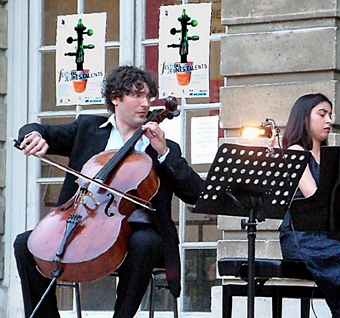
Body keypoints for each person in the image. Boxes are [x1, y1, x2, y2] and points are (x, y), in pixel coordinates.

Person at [13, 65, 204, 318]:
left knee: (144, 243)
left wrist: (163, 153)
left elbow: (196, 194)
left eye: (148, 96)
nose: (145, 103)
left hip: (139, 231)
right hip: (86, 223)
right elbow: (40, 129)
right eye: (137, 95)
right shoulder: (87, 129)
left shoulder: (162, 146)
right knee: (25, 243)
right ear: (116, 98)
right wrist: (33, 135)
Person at [278, 93, 340, 317]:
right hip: (302, 235)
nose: (329, 121)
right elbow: (314, 196)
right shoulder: (296, 151)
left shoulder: (329, 156)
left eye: (330, 115)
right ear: (304, 119)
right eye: (322, 114)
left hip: (327, 233)